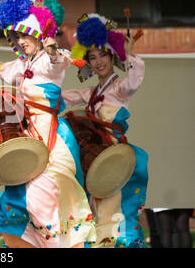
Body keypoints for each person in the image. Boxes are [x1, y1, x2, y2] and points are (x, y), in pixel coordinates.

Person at [0, 0, 96, 248]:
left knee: (44, 193)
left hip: (53, 138)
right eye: (16, 37)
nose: (21, 41)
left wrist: (50, 46)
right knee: (21, 197)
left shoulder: (53, 59)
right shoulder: (19, 66)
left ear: (38, 33)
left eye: (25, 35)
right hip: (27, 137)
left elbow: (57, 60)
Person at [62, 13, 149, 248]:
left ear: (112, 56)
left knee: (117, 215)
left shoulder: (120, 87)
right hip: (96, 163)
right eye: (92, 57)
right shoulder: (91, 93)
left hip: (116, 161)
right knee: (97, 214)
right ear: (87, 63)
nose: (98, 61)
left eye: (103, 55)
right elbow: (61, 99)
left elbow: (133, 81)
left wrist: (129, 53)